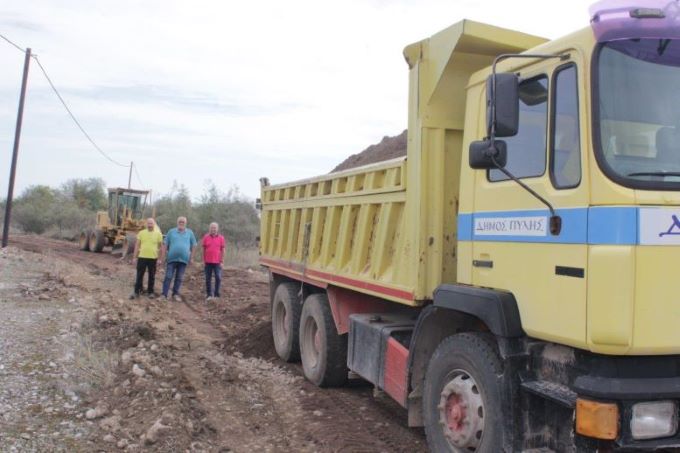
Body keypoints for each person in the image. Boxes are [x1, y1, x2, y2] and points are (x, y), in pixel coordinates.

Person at [161, 216, 197, 302]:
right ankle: (164, 295)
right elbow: (165, 244)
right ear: (177, 222)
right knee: (168, 276)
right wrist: (163, 256)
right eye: (180, 221)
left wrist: (192, 257)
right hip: (171, 259)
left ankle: (175, 294)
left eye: (183, 222)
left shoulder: (190, 233)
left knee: (179, 278)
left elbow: (194, 245)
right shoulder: (171, 231)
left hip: (183, 260)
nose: (181, 223)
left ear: (185, 223)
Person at [129, 218, 163, 299]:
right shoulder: (141, 233)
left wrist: (159, 259)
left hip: (153, 258)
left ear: (154, 224)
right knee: (139, 275)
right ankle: (136, 292)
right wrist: (134, 257)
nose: (150, 225)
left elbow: (160, 247)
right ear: (146, 224)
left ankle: (150, 292)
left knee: (152, 275)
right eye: (148, 223)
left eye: (151, 223)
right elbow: (137, 245)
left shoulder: (158, 234)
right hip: (142, 257)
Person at [202, 222, 226, 301]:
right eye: (212, 228)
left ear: (217, 229)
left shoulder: (221, 238)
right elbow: (204, 250)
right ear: (209, 229)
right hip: (207, 262)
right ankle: (209, 295)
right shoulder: (206, 237)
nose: (213, 229)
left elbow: (223, 250)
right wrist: (203, 260)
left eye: (215, 228)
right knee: (208, 278)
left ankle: (216, 295)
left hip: (217, 262)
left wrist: (222, 261)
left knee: (218, 278)